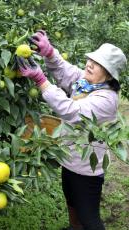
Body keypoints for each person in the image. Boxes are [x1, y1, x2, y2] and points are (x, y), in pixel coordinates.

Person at [15, 30, 127, 230]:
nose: (90, 64)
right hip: (69, 158)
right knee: (72, 204)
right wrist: (50, 53)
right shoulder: (87, 83)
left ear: (109, 74)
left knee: (89, 218)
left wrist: (42, 81)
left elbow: (72, 111)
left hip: (87, 170)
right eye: (91, 59)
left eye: (98, 64)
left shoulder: (106, 99)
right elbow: (67, 71)